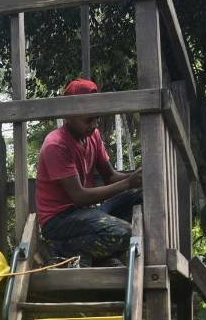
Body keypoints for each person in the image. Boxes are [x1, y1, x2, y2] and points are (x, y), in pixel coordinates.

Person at [35, 79, 142, 265]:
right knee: (124, 232)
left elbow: (110, 176)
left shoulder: (93, 135)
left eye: (96, 118)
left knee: (140, 196)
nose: (93, 125)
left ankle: (100, 252)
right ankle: (62, 247)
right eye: (88, 120)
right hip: (59, 221)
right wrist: (127, 183)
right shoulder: (56, 144)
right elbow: (79, 196)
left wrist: (137, 177)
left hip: (86, 213)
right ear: (69, 116)